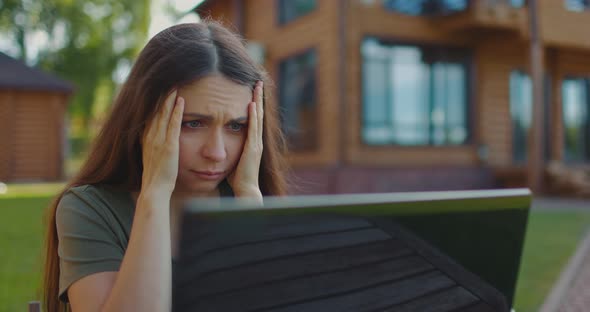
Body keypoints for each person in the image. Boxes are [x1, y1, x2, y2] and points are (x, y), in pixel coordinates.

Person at [42, 21, 289, 312]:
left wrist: (248, 198)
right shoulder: (89, 209)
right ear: (144, 121)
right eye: (193, 123)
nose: (217, 152)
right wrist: (155, 194)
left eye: (236, 126)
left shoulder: (255, 203)